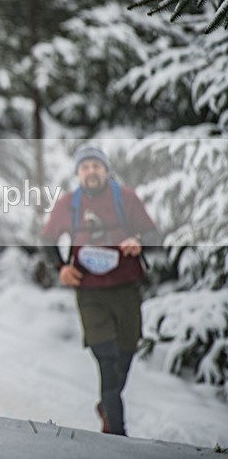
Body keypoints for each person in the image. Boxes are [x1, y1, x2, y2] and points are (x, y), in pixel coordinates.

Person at [40, 145, 161, 435]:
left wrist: (139, 241)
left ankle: (107, 404)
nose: (91, 172)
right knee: (106, 357)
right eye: (85, 167)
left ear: (106, 170)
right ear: (78, 174)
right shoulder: (68, 204)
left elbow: (154, 234)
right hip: (89, 289)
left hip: (126, 288)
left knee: (125, 354)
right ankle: (117, 433)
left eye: (96, 166)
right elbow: (47, 240)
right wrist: (61, 268)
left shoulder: (126, 199)